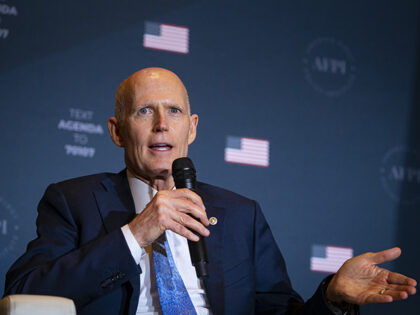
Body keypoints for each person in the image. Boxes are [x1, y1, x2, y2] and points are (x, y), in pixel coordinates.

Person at [4, 68, 416, 314]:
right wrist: (136, 234)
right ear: (117, 131)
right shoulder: (72, 201)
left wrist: (333, 297)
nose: (162, 124)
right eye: (145, 111)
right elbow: (24, 294)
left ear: (193, 128)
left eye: (175, 111)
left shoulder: (240, 215)